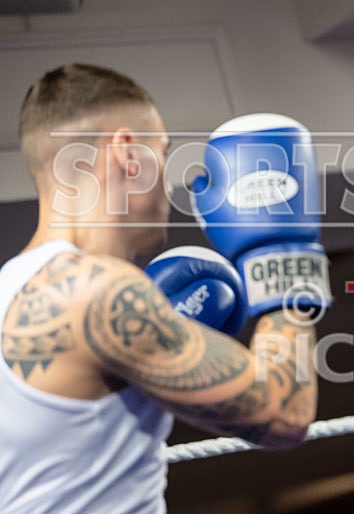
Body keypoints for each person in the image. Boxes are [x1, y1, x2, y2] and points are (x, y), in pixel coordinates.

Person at [0, 63, 329, 513]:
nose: (169, 183)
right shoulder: (99, 292)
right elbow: (282, 414)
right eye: (163, 153)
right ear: (127, 154)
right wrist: (282, 255)